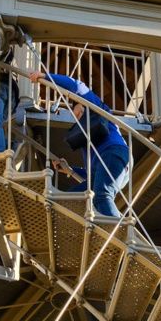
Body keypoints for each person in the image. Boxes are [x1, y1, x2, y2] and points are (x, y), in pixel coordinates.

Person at [28, 70, 130, 218]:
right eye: (76, 116)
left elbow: (76, 85)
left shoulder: (97, 108)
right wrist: (70, 170)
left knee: (102, 196)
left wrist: (45, 77)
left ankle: (121, 234)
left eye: (79, 112)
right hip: (111, 162)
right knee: (72, 198)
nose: (78, 117)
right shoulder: (86, 136)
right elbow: (92, 174)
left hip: (114, 152)